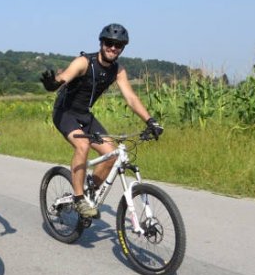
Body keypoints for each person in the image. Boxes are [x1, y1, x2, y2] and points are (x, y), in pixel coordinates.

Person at [39, 23, 163, 219]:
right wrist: (53, 84)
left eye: (118, 45)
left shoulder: (118, 70)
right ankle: (79, 199)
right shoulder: (84, 62)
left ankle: (89, 192)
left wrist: (150, 121)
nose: (113, 48)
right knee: (83, 145)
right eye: (109, 43)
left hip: (84, 114)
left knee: (112, 154)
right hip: (65, 113)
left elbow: (131, 98)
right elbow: (64, 77)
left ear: (122, 48)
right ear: (101, 42)